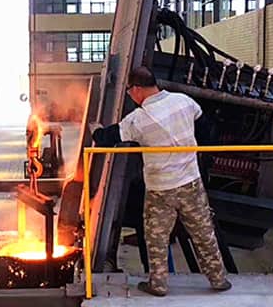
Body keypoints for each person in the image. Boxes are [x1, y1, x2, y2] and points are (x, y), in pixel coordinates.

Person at [92, 66, 231, 297]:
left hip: (160, 190)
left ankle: (158, 285)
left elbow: (109, 138)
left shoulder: (138, 119)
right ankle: (218, 279)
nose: (130, 95)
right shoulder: (183, 101)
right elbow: (206, 130)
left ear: (136, 89)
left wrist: (95, 131)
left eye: (129, 91)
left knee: (156, 239)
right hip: (191, 183)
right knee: (203, 233)